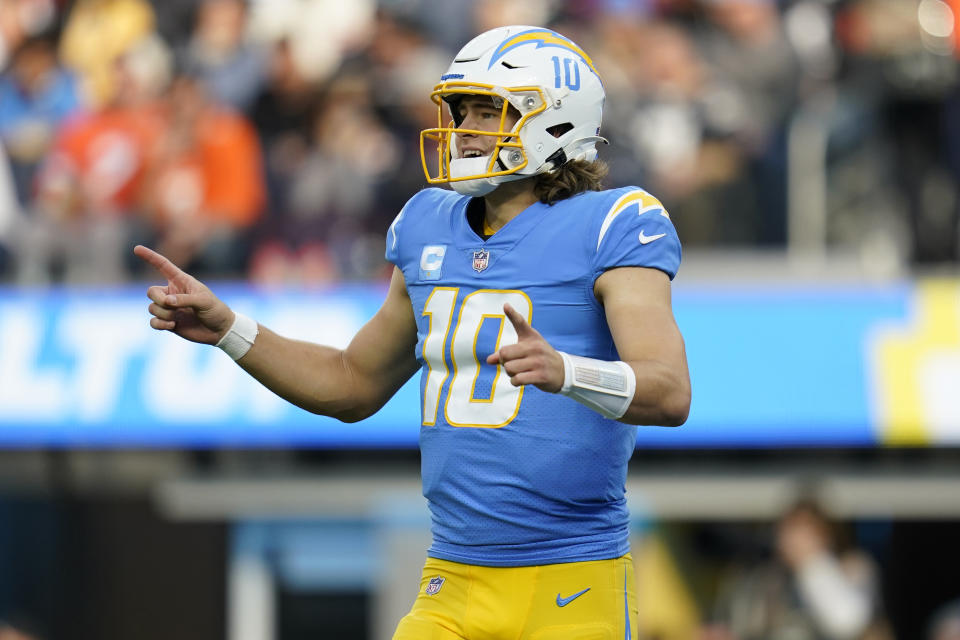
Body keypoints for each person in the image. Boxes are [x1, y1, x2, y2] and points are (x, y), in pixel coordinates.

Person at [136, 25, 690, 638]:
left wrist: (566, 372)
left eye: (490, 111)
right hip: (450, 580)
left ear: (554, 121)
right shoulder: (428, 223)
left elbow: (669, 391)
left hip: (570, 584)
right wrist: (230, 330)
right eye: (462, 111)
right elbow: (352, 383)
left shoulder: (614, 223)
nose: (466, 130)